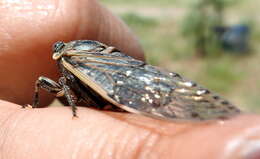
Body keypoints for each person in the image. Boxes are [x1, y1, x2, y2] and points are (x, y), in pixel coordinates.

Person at [0, 0, 259, 158]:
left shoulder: (69, 58)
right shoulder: (80, 55)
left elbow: (68, 86)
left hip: (118, 89)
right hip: (122, 83)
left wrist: (72, 107)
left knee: (44, 81)